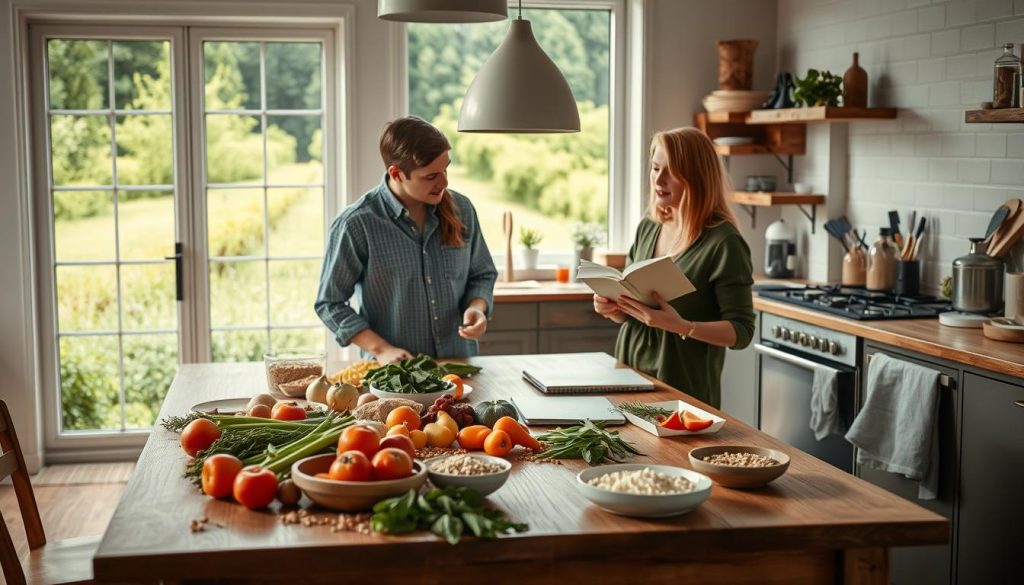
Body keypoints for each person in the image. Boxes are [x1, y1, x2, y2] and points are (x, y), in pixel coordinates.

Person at [593, 127, 755, 408]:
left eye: (671, 171)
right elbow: (633, 314)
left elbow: (741, 332)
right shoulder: (649, 227)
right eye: (655, 168)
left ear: (697, 177)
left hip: (685, 386)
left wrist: (682, 326)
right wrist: (612, 308)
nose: (659, 179)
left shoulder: (724, 242)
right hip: (629, 373)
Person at [315, 116, 498, 363]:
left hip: (459, 367)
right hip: (394, 376)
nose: (444, 182)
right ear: (397, 173)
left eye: (445, 169)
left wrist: (476, 308)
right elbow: (330, 303)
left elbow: (482, 274)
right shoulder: (357, 224)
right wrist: (381, 349)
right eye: (431, 176)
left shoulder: (462, 209)